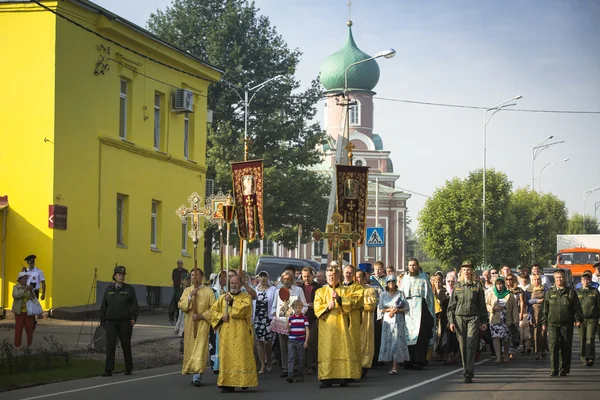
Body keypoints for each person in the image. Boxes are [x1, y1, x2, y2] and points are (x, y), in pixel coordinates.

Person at [314, 265, 361, 388]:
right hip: (327, 326)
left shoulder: (346, 290)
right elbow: (317, 308)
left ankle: (342, 376)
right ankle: (326, 377)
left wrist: (339, 299)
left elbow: (351, 304)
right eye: (329, 276)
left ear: (339, 277)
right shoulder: (320, 291)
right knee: (327, 350)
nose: (331, 278)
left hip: (341, 324)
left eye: (333, 276)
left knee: (342, 348)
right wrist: (327, 307)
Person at [211, 275, 258, 392]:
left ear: (240, 284)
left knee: (241, 357)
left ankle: (243, 380)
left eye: (236, 283)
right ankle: (227, 383)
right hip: (227, 333)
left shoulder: (245, 297)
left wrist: (232, 302)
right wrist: (221, 316)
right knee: (227, 357)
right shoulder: (223, 298)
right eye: (231, 283)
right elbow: (213, 311)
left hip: (241, 333)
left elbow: (245, 310)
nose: (233, 285)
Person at [448, 261, 487, 383]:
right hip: (460, 318)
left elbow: (482, 305)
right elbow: (451, 307)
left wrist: (484, 320)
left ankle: (468, 372)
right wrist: (451, 321)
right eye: (464, 269)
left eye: (469, 269)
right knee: (462, 345)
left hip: (473, 318)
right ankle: (466, 369)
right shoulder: (457, 286)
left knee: (470, 344)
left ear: (472, 271)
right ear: (461, 271)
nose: (466, 271)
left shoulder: (477, 286)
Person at [540, 269, 583, 376]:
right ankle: (553, 369)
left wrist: (578, 319)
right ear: (554, 279)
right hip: (552, 324)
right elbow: (545, 309)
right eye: (557, 278)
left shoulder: (571, 292)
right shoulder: (549, 292)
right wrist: (544, 323)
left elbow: (576, 308)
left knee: (566, 347)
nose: (559, 279)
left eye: (561, 277)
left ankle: (564, 369)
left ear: (565, 278)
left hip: (567, 324)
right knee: (553, 346)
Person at [99, 266, 139, 377]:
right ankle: (108, 369)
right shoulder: (109, 289)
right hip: (110, 321)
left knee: (125, 344)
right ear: (115, 276)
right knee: (110, 345)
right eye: (120, 274)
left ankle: (128, 368)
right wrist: (102, 320)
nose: (122, 276)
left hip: (125, 321)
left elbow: (134, 305)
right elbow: (104, 305)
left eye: (123, 274)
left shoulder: (129, 289)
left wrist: (133, 318)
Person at [178, 268, 215, 386]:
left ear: (202, 277)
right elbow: (182, 305)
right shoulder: (187, 290)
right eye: (192, 275)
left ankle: (197, 375)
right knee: (190, 347)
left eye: (197, 275)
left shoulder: (208, 291)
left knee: (200, 347)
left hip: (202, 324)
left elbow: (214, 309)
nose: (194, 277)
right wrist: (190, 296)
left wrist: (201, 316)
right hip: (190, 323)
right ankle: (190, 368)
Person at [400, 258, 435, 370]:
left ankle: (419, 360)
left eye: (414, 265)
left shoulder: (424, 278)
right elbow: (401, 295)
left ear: (418, 266)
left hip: (421, 307)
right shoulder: (405, 279)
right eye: (410, 265)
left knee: (421, 334)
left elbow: (429, 296)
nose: (412, 267)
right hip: (408, 309)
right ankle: (408, 359)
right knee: (407, 334)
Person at [272, 270, 307, 378]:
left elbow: (304, 305)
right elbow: (274, 306)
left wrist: (299, 314)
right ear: (282, 280)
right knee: (283, 346)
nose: (287, 281)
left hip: (296, 323)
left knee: (296, 345)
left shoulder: (298, 290)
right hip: (282, 322)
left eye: (289, 279)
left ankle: (296, 367)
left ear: (292, 280)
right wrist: (274, 314)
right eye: (285, 279)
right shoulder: (278, 291)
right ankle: (286, 368)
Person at [378, 275, 410, 374]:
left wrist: (397, 310)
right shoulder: (383, 294)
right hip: (388, 320)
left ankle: (395, 365)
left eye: (393, 281)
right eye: (389, 282)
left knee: (396, 341)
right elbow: (380, 308)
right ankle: (389, 360)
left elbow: (406, 308)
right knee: (389, 340)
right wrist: (389, 310)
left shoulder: (400, 294)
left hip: (398, 320)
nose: (391, 284)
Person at [486, 277, 518, 363]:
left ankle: (506, 353)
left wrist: (516, 320)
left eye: (500, 284)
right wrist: (493, 308)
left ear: (503, 285)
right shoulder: (491, 294)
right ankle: (498, 357)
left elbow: (514, 308)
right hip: (495, 319)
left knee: (506, 338)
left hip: (506, 319)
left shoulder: (509, 295)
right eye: (497, 284)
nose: (499, 286)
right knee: (496, 338)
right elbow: (487, 304)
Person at [253, 271, 276, 374]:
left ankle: (269, 358)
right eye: (261, 276)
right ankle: (262, 365)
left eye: (265, 276)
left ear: (268, 278)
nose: (263, 279)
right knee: (259, 342)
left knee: (267, 342)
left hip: (268, 319)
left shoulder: (273, 290)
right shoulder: (255, 290)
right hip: (257, 318)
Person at [356, 269, 377, 376]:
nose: (357, 279)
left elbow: (371, 304)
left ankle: (364, 366)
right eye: (356, 277)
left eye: (359, 277)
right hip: (354, 320)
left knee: (365, 342)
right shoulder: (351, 289)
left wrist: (358, 302)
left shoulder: (370, 290)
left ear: (364, 278)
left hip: (366, 320)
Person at [576, 271, 599, 366]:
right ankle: (583, 357)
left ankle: (590, 357)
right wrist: (576, 319)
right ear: (581, 281)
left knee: (590, 338)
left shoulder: (595, 292)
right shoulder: (577, 292)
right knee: (583, 338)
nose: (585, 281)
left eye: (587, 279)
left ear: (590, 281)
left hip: (592, 319)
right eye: (584, 280)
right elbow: (575, 307)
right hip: (581, 319)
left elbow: (599, 305)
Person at [342, 265, 364, 365]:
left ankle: (354, 368)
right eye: (347, 272)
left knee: (352, 342)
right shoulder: (338, 287)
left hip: (352, 317)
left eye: (351, 272)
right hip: (340, 319)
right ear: (343, 273)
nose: (348, 274)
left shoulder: (358, 287)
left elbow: (356, 301)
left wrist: (341, 300)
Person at [300, 267, 320, 375]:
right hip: (302, 317)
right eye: (304, 276)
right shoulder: (299, 288)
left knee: (311, 340)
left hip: (314, 317)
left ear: (312, 276)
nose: (306, 279)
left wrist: (314, 306)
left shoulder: (318, 288)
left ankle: (312, 365)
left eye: (308, 276)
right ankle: (303, 364)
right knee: (301, 341)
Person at [286, 299, 310, 383]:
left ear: (302, 308)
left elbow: (307, 330)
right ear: (293, 308)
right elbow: (288, 330)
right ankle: (290, 375)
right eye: (296, 308)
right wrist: (287, 327)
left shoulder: (304, 318)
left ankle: (300, 375)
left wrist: (306, 341)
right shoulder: (290, 318)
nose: (298, 309)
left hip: (301, 340)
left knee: (301, 358)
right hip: (292, 340)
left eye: (299, 307)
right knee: (291, 357)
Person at [12, 271, 35, 348]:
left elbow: (33, 298)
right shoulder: (16, 287)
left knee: (29, 329)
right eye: (24, 278)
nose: (25, 280)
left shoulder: (28, 287)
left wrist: (31, 290)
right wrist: (25, 290)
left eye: (26, 278)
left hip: (28, 312)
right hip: (19, 312)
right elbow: (16, 296)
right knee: (19, 328)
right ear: (19, 279)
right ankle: (17, 345)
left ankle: (29, 345)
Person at [441, 272, 459, 364]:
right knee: (448, 337)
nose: (451, 283)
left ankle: (455, 354)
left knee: (455, 337)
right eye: (449, 281)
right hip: (445, 318)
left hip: (457, 317)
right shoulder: (444, 293)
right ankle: (448, 355)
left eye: (453, 281)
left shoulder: (459, 292)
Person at [527, 274, 547, 360]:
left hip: (543, 313)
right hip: (533, 314)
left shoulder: (545, 289)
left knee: (543, 332)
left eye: (538, 279)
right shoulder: (529, 290)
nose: (537, 281)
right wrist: (536, 300)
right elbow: (526, 301)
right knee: (534, 333)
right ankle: (536, 352)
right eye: (535, 280)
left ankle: (543, 350)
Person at [431, 274, 447, 359]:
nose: (437, 283)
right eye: (436, 282)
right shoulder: (431, 292)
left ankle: (440, 351)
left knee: (441, 334)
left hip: (442, 315)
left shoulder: (444, 291)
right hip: (434, 315)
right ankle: (434, 350)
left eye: (439, 282)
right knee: (435, 334)